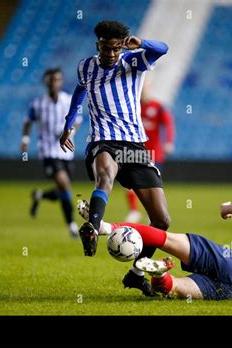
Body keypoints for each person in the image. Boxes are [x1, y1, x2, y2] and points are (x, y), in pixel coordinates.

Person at [59, 20, 171, 296]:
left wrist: (141, 43)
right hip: (103, 139)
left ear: (121, 46)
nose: (110, 54)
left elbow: (164, 48)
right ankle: (93, 228)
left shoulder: (134, 62)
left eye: (115, 49)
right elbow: (79, 91)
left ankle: (136, 274)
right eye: (105, 48)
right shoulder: (86, 66)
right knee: (105, 174)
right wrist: (68, 123)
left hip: (134, 144)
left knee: (161, 221)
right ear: (98, 44)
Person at [77, 201, 232, 300]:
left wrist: (227, 208)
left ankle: (106, 227)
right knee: (175, 288)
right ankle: (161, 274)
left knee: (166, 239)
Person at [21, 68, 81, 237]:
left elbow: (77, 120)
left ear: (61, 82)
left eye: (57, 80)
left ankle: (39, 195)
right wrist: (25, 140)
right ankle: (72, 225)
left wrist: (71, 132)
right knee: (64, 184)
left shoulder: (68, 100)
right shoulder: (38, 104)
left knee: (63, 189)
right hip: (48, 151)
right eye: (51, 80)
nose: (54, 83)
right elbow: (28, 122)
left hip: (66, 152)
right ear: (46, 82)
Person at [125, 82, 175, 223]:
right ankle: (134, 211)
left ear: (148, 89)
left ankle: (152, 213)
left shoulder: (158, 107)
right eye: (139, 89)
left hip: (154, 153)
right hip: (135, 151)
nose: (142, 92)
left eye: (144, 89)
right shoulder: (132, 107)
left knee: (153, 185)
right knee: (130, 183)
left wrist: (169, 142)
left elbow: (168, 124)